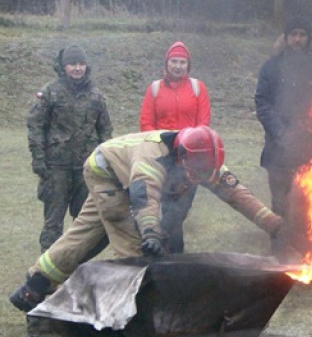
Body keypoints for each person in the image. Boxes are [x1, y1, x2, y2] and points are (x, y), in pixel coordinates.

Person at [9, 126, 284, 313]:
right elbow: (144, 197)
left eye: (208, 170)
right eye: (197, 170)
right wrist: (150, 232)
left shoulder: (203, 158)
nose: (202, 176)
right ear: (182, 155)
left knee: (84, 235)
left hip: (122, 172)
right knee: (132, 245)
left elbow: (238, 194)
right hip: (107, 173)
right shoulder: (151, 159)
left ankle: (35, 285)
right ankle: (136, 311)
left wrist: (275, 225)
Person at [28, 45, 113, 252]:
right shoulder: (50, 92)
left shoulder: (96, 96)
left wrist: (105, 162)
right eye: (72, 64)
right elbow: (35, 125)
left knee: (82, 224)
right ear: (63, 67)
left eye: (81, 64)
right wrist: (38, 158)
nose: (77, 68)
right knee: (53, 223)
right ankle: (45, 273)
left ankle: (75, 266)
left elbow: (105, 131)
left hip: (86, 168)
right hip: (56, 167)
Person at [254, 17, 312, 221]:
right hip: (278, 149)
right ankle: (279, 251)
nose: (298, 39)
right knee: (280, 207)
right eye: (293, 34)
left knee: (309, 207)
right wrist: (282, 133)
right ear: (286, 37)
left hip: (311, 148)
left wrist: (310, 130)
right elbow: (263, 104)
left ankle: (308, 251)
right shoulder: (271, 67)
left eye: (302, 35)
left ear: (308, 38)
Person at [139, 41, 212, 253]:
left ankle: (160, 247)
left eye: (182, 62)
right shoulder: (154, 89)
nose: (178, 66)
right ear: (166, 63)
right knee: (168, 207)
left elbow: (203, 124)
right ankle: (172, 253)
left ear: (188, 65)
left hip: (190, 161)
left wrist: (191, 149)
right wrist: (159, 148)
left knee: (179, 209)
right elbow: (146, 123)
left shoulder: (198, 89)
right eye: (174, 61)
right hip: (163, 158)